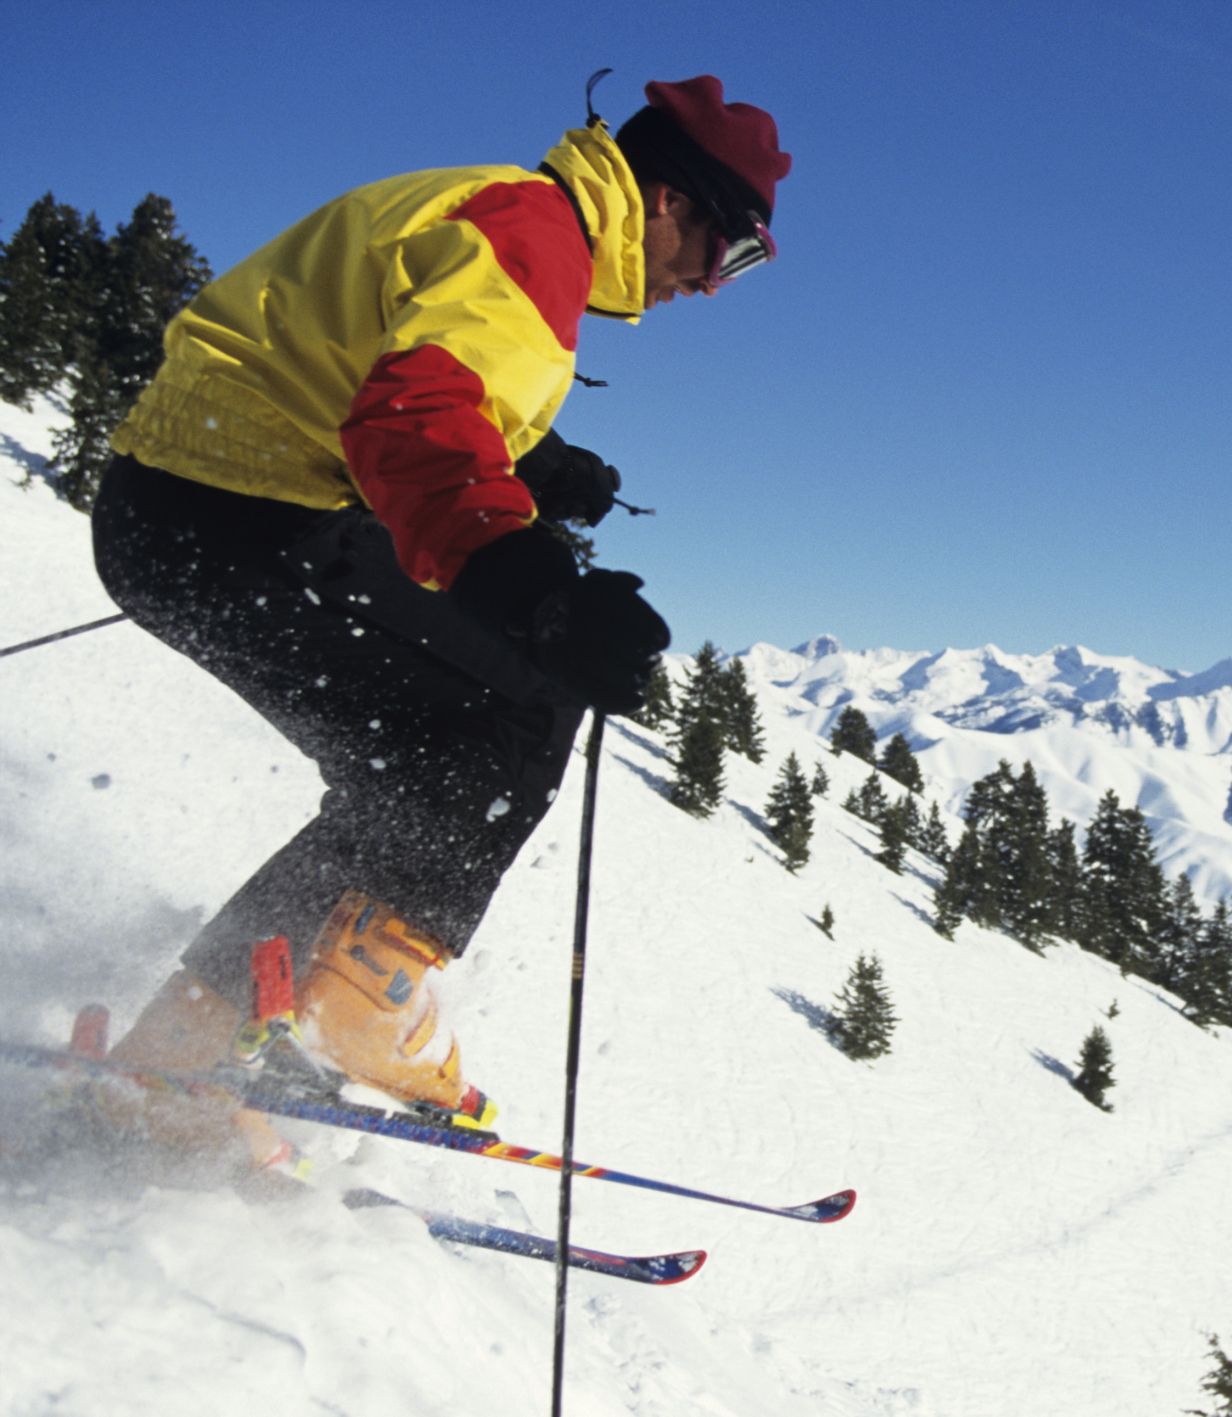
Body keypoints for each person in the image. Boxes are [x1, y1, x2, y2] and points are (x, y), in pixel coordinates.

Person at [88, 72, 791, 1170]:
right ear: (667, 202)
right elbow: (416, 412)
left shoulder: (504, 208)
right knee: (514, 705)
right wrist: (534, 590)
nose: (712, 284)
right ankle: (364, 1000)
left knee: (413, 762)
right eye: (731, 251)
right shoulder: (533, 239)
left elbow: (386, 353)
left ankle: (192, 1034)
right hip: (231, 518)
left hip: (207, 499)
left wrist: (539, 463)